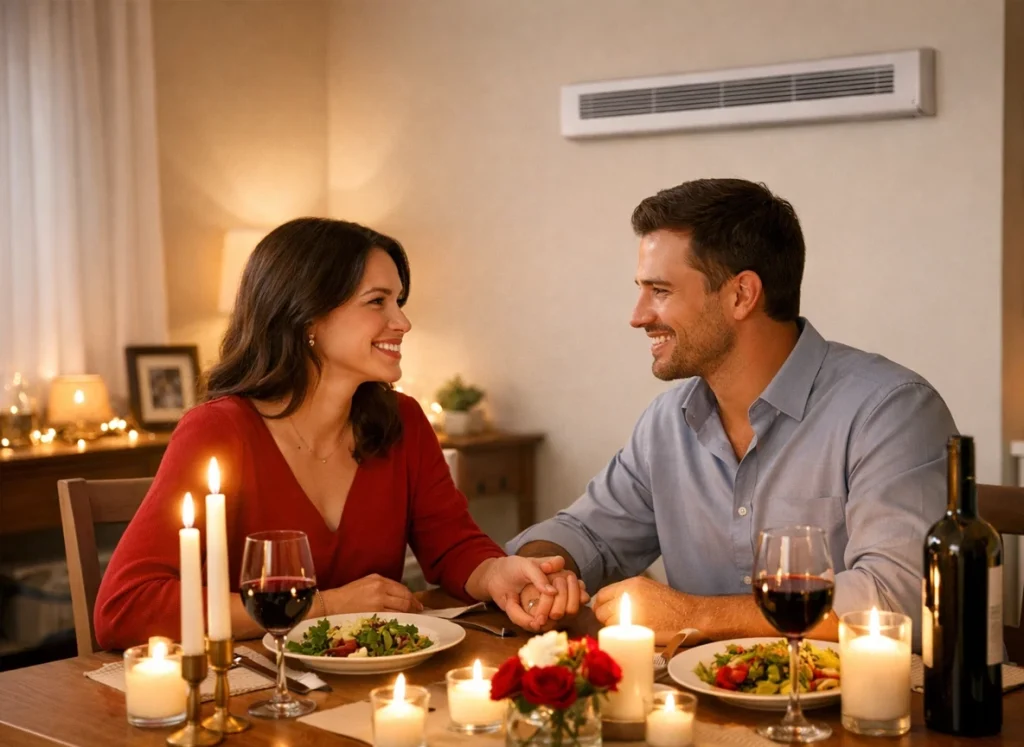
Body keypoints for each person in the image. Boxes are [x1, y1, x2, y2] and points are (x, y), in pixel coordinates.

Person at [508, 178, 957, 647]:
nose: (637, 316)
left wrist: (696, 615)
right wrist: (543, 568)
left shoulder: (890, 410)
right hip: (712, 708)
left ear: (742, 294)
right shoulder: (667, 423)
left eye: (659, 290)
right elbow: (585, 533)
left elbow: (903, 597)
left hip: (888, 713)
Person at [95, 218, 562, 649]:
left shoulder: (403, 421)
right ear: (307, 318)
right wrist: (325, 607)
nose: (402, 322)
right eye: (377, 301)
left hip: (369, 693)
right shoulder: (218, 431)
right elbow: (125, 607)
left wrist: (498, 571)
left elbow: (453, 546)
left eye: (398, 301)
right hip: (249, 697)